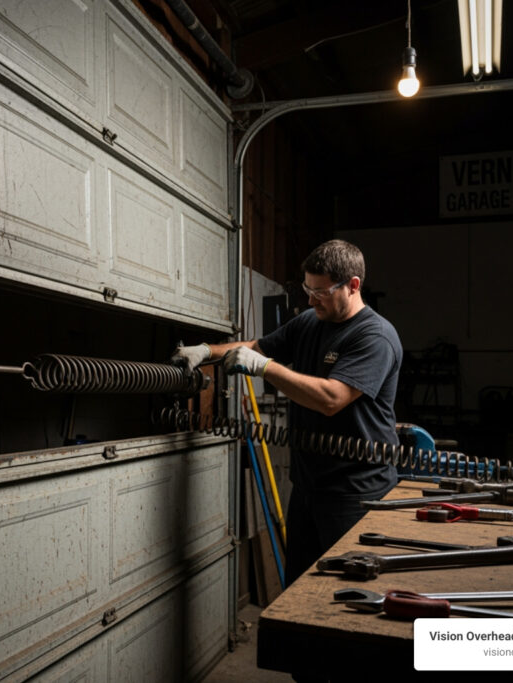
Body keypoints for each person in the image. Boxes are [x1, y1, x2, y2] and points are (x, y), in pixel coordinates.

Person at [171, 239, 402, 586]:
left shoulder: (374, 336)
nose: (310, 300)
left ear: (353, 285)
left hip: (355, 493)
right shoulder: (309, 321)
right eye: (307, 290)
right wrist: (206, 352)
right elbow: (257, 347)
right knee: (299, 588)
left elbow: (332, 398)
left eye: (320, 292)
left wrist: (264, 369)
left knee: (346, 592)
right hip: (307, 487)